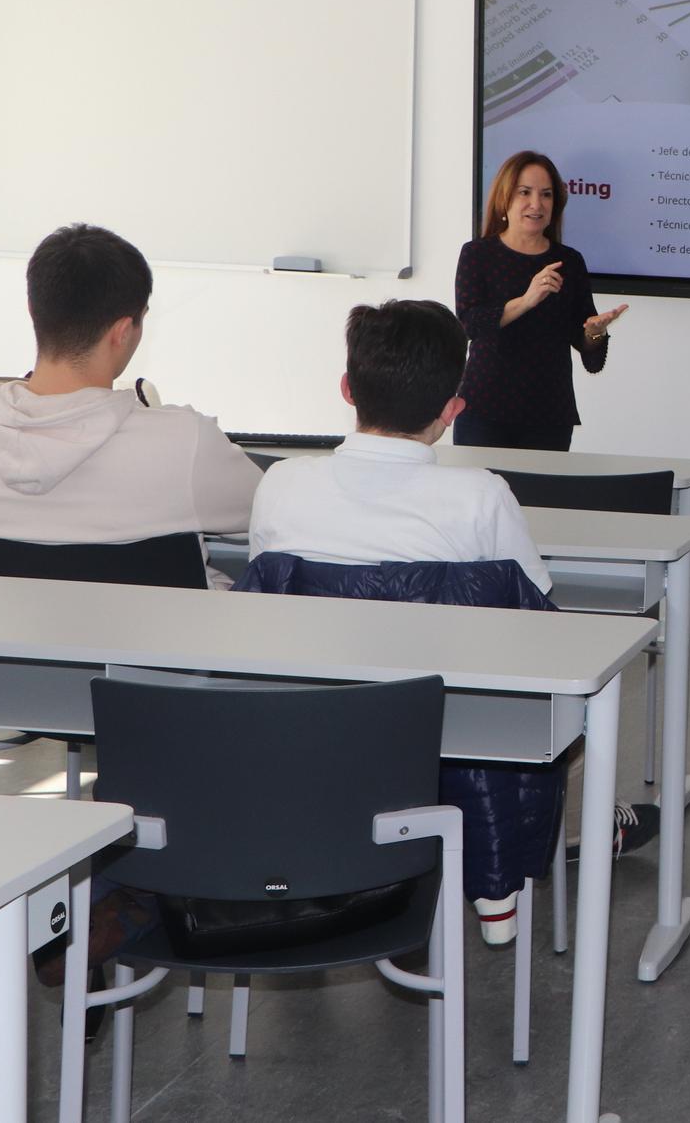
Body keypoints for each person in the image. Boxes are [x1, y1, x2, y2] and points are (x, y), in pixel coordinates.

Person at [248, 299, 656, 944]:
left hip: (307, 746)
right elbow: (538, 622)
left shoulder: (281, 486)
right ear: (452, 409)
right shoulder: (480, 497)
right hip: (455, 747)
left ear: (347, 389)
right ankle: (532, 862)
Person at [0, 223, 262, 589]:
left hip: (24, 642)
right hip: (171, 641)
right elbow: (274, 515)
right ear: (123, 331)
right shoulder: (184, 445)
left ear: (33, 309)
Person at [454, 150, 628, 452]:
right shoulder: (477, 254)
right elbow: (469, 326)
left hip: (549, 414)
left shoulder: (569, 262)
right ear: (505, 198)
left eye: (546, 195)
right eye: (525, 193)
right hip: (483, 410)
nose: (537, 204)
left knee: (542, 500)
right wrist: (526, 300)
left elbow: (591, 356)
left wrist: (595, 331)